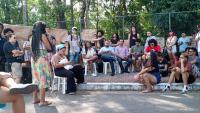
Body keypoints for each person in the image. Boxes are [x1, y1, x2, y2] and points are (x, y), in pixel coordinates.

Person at [31, 21, 53, 106]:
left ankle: (35, 99)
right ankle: (42, 101)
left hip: (34, 58)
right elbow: (48, 47)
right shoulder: (42, 35)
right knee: (42, 78)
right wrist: (47, 36)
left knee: (36, 78)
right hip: (42, 57)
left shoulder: (32, 37)